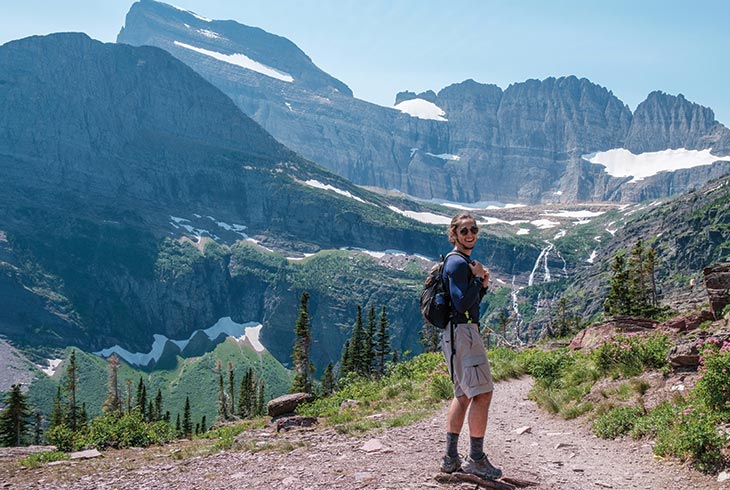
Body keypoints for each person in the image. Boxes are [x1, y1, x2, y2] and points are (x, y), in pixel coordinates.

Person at [439, 213, 502, 480]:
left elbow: (468, 300)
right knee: (483, 393)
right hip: (464, 334)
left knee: (463, 395)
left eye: (473, 230)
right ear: (454, 234)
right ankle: (475, 459)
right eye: (464, 230)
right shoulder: (457, 263)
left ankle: (451, 458)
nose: (470, 235)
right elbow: (461, 303)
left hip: (456, 334)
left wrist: (481, 286)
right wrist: (476, 278)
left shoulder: (459, 262)